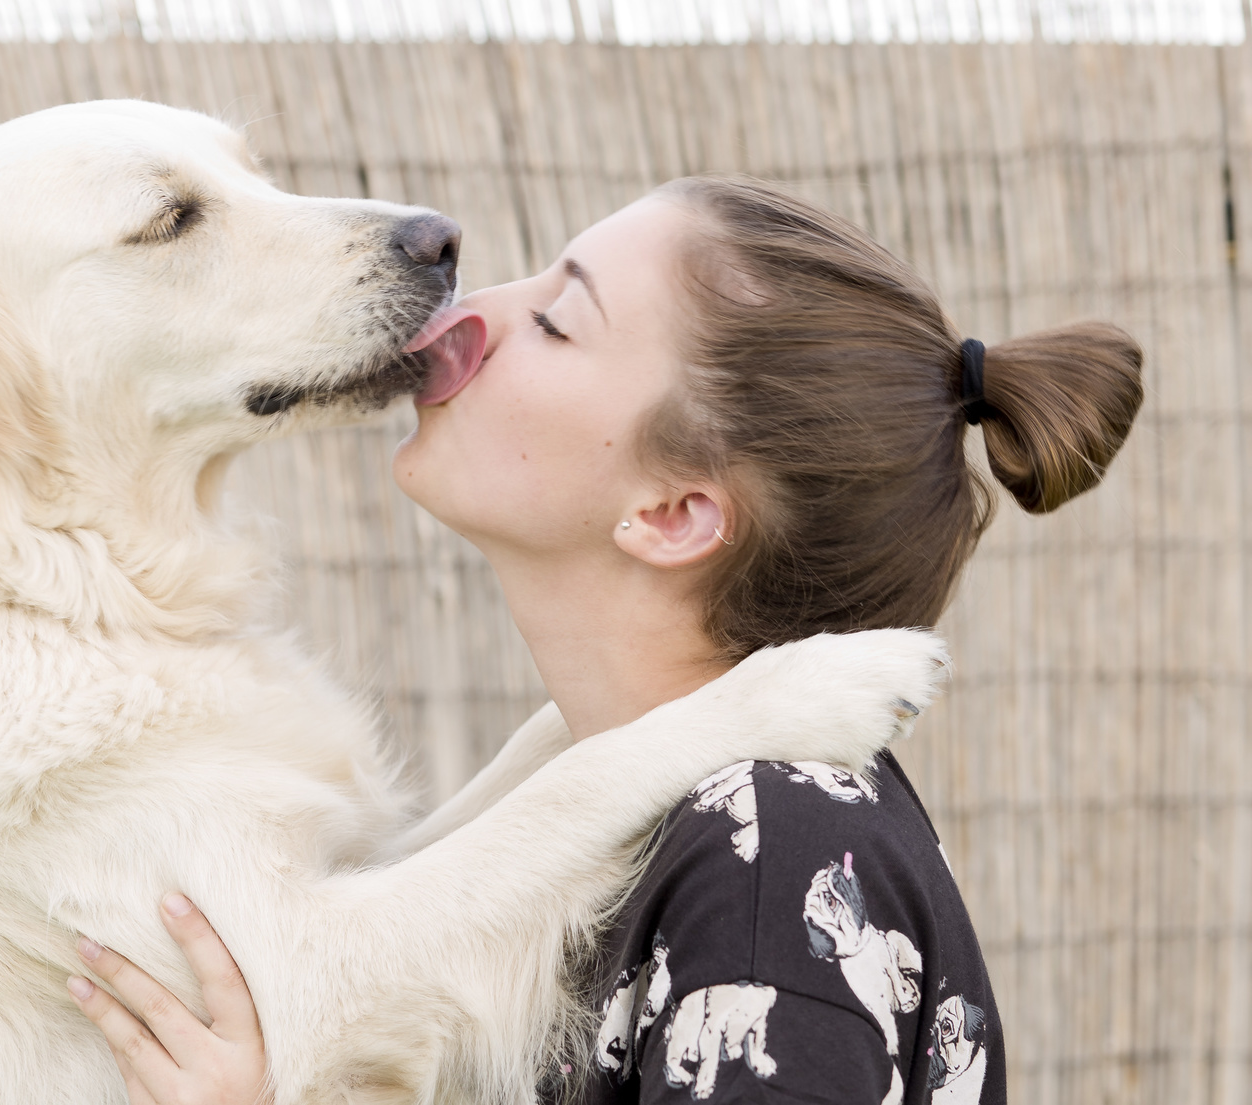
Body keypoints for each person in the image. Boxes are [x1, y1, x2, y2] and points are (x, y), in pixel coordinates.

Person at [61, 176, 1143, 1105]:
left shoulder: (773, 856)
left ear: (671, 513)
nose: (477, 302)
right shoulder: (655, 818)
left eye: (557, 319)